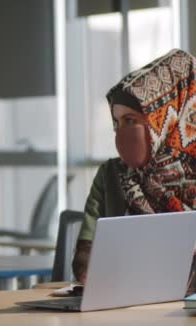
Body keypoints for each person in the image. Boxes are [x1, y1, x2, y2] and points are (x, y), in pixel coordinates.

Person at [72, 49, 196, 290]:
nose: (121, 132)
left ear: (166, 118)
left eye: (130, 120)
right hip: (122, 305)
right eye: (116, 123)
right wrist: (87, 270)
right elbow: (84, 252)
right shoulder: (110, 175)